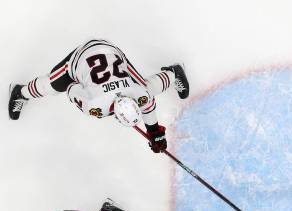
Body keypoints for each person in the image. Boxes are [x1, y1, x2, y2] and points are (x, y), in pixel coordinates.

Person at [8, 38, 189, 153]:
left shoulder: (138, 94)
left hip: (111, 51)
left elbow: (146, 104)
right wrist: (154, 132)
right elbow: (71, 86)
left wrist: (155, 132)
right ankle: (20, 92)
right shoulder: (94, 106)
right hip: (80, 58)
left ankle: (174, 73)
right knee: (52, 86)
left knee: (146, 87)